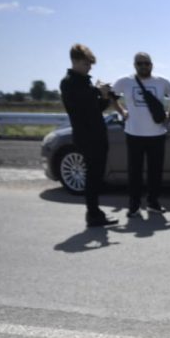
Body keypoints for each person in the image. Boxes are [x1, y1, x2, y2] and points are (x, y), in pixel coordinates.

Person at [111, 53, 170, 217]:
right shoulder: (124, 81)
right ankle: (134, 205)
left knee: (155, 171)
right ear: (134, 65)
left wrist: (169, 116)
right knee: (134, 172)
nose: (144, 66)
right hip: (134, 133)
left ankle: (153, 202)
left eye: (147, 63)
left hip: (157, 133)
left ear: (152, 65)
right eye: (140, 63)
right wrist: (121, 111)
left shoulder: (161, 81)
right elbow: (111, 96)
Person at [59, 43, 117, 227]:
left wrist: (106, 96)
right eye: (86, 64)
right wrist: (97, 91)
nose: (89, 67)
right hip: (86, 137)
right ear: (75, 61)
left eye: (90, 64)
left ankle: (94, 212)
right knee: (92, 176)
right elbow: (81, 100)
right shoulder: (68, 82)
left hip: (98, 134)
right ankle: (93, 214)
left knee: (97, 176)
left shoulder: (86, 82)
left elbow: (96, 108)